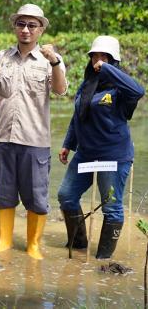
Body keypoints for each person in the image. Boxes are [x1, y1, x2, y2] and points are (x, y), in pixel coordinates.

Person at [0, 3, 67, 260]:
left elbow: (61, 90)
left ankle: (33, 244)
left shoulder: (50, 60)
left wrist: (54, 61)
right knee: (4, 194)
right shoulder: (1, 57)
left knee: (37, 197)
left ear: (41, 29)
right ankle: (4, 240)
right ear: (14, 27)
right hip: (2, 138)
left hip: (35, 139)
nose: (26, 30)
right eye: (21, 24)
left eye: (32, 25)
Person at [57, 36, 144, 259]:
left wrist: (106, 69)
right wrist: (68, 144)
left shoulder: (121, 88)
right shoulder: (87, 85)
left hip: (113, 156)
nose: (98, 60)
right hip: (85, 154)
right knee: (66, 195)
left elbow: (138, 91)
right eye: (95, 56)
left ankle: (103, 259)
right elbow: (79, 115)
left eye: (104, 56)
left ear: (114, 61)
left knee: (111, 207)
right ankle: (78, 246)